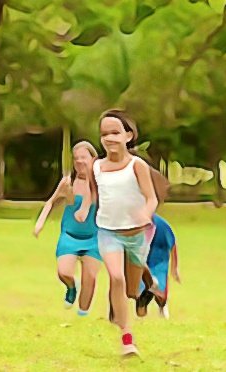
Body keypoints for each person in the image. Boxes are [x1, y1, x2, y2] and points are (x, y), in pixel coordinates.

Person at [89, 109, 158, 357]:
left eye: (115, 133)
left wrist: (146, 213)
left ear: (128, 136)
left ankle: (139, 291)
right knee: (115, 278)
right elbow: (97, 196)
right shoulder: (96, 167)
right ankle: (127, 339)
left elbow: (151, 198)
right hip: (108, 232)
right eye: (105, 134)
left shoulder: (137, 166)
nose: (109, 138)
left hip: (136, 235)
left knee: (131, 290)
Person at [34, 141, 101, 316]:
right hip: (70, 236)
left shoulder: (101, 183)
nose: (79, 161)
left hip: (94, 237)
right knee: (63, 272)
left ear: (93, 159)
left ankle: (82, 314)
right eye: (76, 158)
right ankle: (71, 286)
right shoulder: (68, 182)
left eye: (83, 157)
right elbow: (51, 202)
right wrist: (40, 223)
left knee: (91, 278)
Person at [136, 214, 180, 319]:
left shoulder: (162, 225)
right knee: (142, 300)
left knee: (159, 289)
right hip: (145, 262)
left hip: (159, 260)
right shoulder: (136, 222)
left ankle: (161, 303)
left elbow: (173, 243)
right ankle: (148, 298)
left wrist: (175, 267)